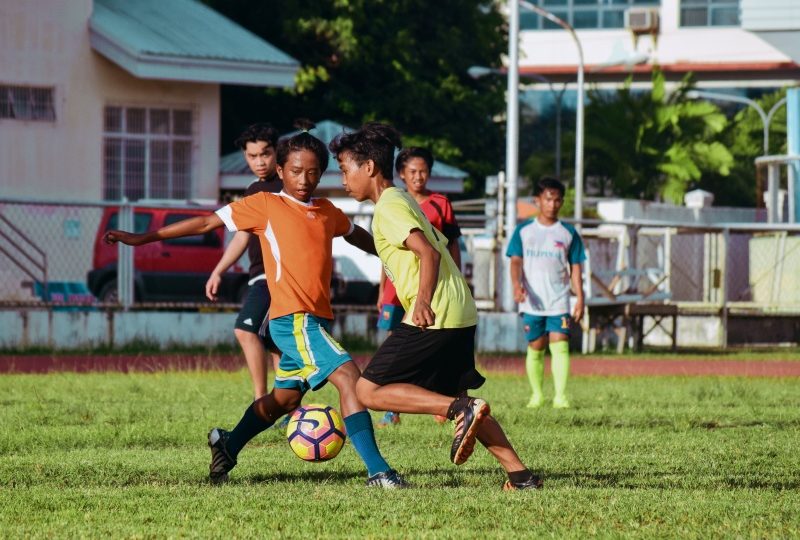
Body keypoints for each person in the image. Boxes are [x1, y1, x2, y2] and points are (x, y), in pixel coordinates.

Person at [105, 123, 406, 489]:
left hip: (316, 322)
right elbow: (206, 222)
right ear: (280, 170)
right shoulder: (265, 205)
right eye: (296, 171)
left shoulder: (327, 211)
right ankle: (378, 472)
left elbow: (361, 237)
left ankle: (228, 443)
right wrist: (145, 237)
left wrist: (399, 251)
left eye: (313, 172)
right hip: (292, 321)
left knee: (282, 400)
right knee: (349, 378)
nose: (304, 179)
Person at [331, 122, 542, 490]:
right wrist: (351, 235)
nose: (343, 178)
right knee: (464, 401)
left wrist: (423, 303)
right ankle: (520, 476)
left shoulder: (388, 208)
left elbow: (426, 253)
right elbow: (410, 246)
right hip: (460, 310)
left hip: (435, 312)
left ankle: (458, 411)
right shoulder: (402, 200)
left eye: (345, 168)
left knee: (367, 391)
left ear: (369, 168)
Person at [375, 147, 461, 428]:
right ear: (401, 174)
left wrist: (456, 277)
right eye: (412, 171)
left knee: (430, 343)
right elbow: (386, 253)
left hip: (427, 287)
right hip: (395, 288)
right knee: (393, 345)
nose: (419, 176)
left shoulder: (439, 204)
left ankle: (440, 400)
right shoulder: (395, 203)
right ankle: (393, 408)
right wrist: (381, 291)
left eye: (423, 171)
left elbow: (450, 245)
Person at [205, 123, 282, 400]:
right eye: (252, 156)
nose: (259, 162)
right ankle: (283, 405)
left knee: (245, 329)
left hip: (276, 276)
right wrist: (218, 271)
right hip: (259, 275)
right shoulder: (252, 189)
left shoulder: (289, 186)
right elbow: (241, 236)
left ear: (276, 152)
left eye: (265, 154)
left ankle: (261, 402)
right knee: (275, 342)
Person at [506, 177, 586, 409]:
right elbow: (515, 262)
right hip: (532, 301)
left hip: (559, 300)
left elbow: (577, 268)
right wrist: (516, 285)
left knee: (560, 343)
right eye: (548, 199)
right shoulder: (524, 231)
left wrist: (580, 298)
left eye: (557, 200)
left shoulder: (569, 233)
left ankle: (560, 397)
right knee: (536, 346)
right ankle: (537, 396)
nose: (553, 204)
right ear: (537, 200)